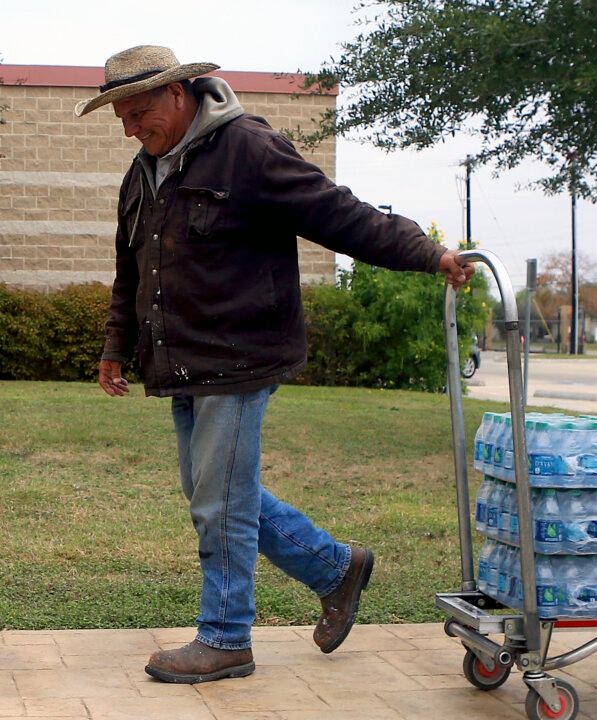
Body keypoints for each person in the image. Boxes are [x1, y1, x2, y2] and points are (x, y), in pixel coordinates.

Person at [79, 46, 474, 684]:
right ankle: (335, 568)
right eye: (121, 117)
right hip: (182, 360)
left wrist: (427, 254)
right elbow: (132, 270)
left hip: (241, 355)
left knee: (221, 503)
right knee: (214, 492)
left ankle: (227, 637)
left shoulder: (248, 149)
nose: (130, 128)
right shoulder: (143, 171)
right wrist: (114, 346)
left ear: (179, 93)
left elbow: (339, 214)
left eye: (139, 112)